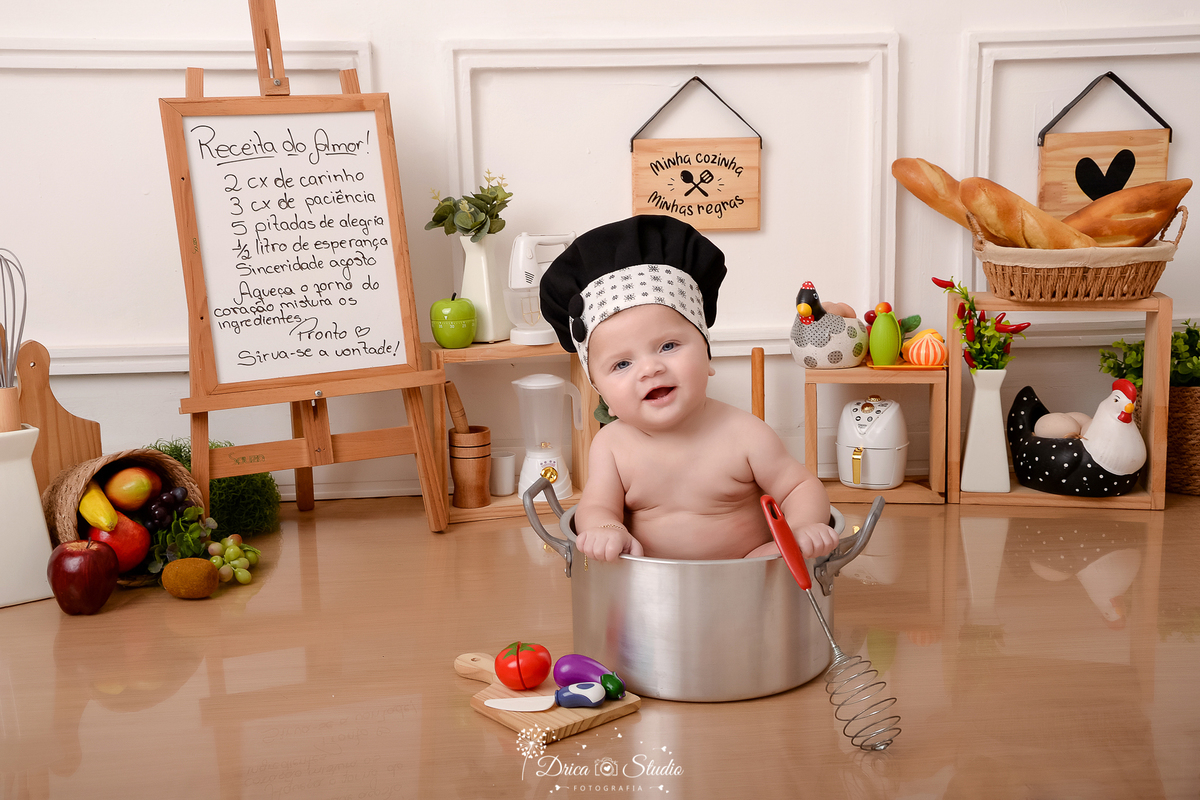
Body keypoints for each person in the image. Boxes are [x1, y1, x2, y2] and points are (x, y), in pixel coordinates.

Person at [540, 215, 840, 562]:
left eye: (668, 346)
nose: (651, 368)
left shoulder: (744, 434)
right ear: (601, 391)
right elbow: (595, 507)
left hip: (751, 578)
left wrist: (801, 528)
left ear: (708, 356)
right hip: (649, 588)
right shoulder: (611, 446)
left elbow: (801, 487)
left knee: (769, 562)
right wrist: (606, 530)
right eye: (622, 364)